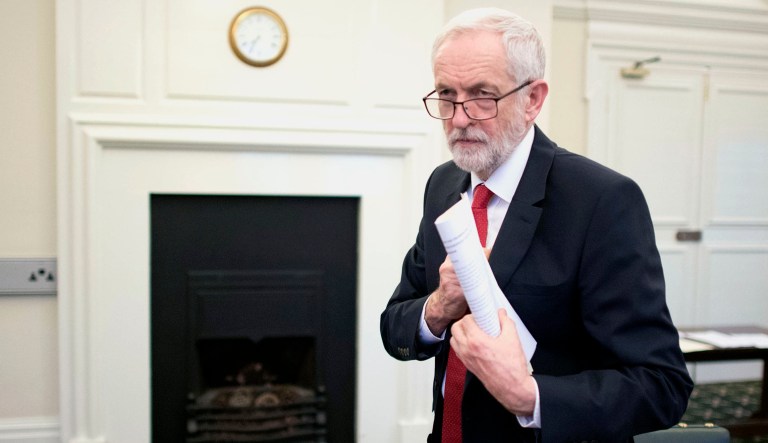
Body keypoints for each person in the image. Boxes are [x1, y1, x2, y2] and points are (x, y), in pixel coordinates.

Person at [379, 7, 692, 443]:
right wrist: (438, 308)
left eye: (482, 95)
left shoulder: (601, 201)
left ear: (533, 99)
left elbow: (662, 387)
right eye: (446, 94)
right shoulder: (442, 184)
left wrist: (530, 396)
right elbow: (394, 324)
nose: (459, 117)